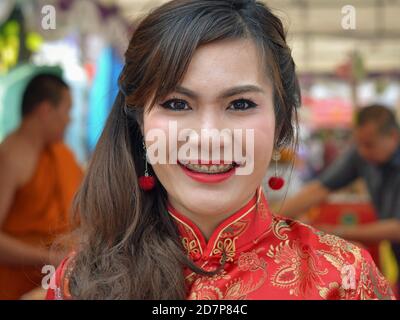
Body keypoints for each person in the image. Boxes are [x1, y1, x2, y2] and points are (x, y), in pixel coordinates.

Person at [46, 0, 394, 300]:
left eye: (240, 104)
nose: (210, 137)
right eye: (177, 104)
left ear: (281, 124)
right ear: (140, 125)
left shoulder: (344, 278)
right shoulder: (79, 279)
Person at [279, 104, 400, 292]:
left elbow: (397, 228)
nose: (362, 151)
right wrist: (271, 219)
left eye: (369, 145)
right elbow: (319, 188)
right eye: (358, 143)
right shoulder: (362, 154)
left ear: (393, 136)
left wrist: (333, 232)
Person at [0, 73, 83, 299]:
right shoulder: (10, 157)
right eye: (67, 111)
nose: (69, 120)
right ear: (46, 110)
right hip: (15, 286)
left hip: (56, 278)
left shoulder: (60, 154)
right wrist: (47, 257)